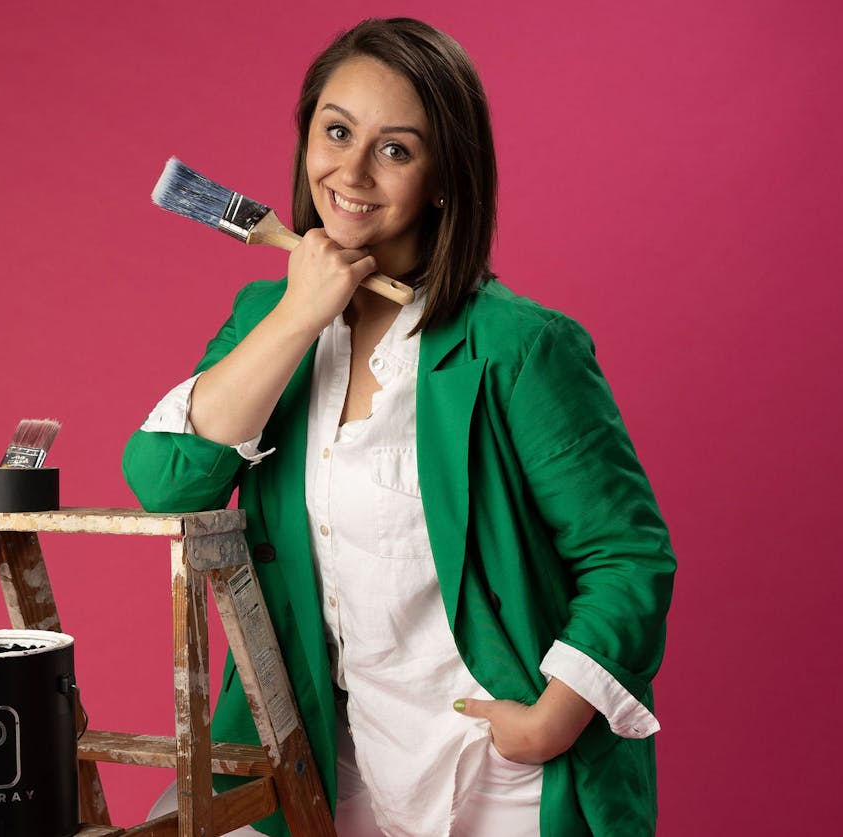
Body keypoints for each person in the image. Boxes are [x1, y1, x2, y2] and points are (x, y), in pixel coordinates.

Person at [122, 17, 674, 837]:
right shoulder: (267, 320)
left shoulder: (519, 347)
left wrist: (555, 716)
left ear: (445, 177)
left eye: (396, 149)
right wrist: (300, 314)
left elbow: (627, 554)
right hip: (326, 751)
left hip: (491, 767)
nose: (350, 169)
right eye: (336, 131)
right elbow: (165, 480)